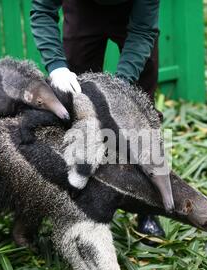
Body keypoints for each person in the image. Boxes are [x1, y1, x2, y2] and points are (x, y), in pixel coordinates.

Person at [30, 0, 165, 241]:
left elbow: (143, 31)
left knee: (143, 106)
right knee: (77, 103)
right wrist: (56, 66)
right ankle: (83, 198)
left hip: (133, 14)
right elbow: (42, 10)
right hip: (83, 11)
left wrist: (119, 86)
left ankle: (148, 209)